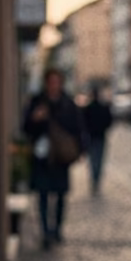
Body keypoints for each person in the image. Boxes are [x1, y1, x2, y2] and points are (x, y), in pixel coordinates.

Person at [23, 68, 83, 248]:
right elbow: (26, 127)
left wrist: (79, 149)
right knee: (42, 194)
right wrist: (35, 119)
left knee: (60, 195)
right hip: (42, 156)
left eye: (57, 81)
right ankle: (45, 231)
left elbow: (78, 128)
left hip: (60, 158)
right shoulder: (37, 102)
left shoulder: (68, 103)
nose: (54, 85)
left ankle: (56, 228)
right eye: (51, 82)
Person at [82, 87, 114, 195]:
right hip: (99, 136)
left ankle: (94, 179)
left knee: (93, 160)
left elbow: (83, 122)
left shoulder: (88, 108)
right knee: (98, 160)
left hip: (92, 136)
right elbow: (109, 121)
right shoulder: (103, 107)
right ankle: (96, 179)